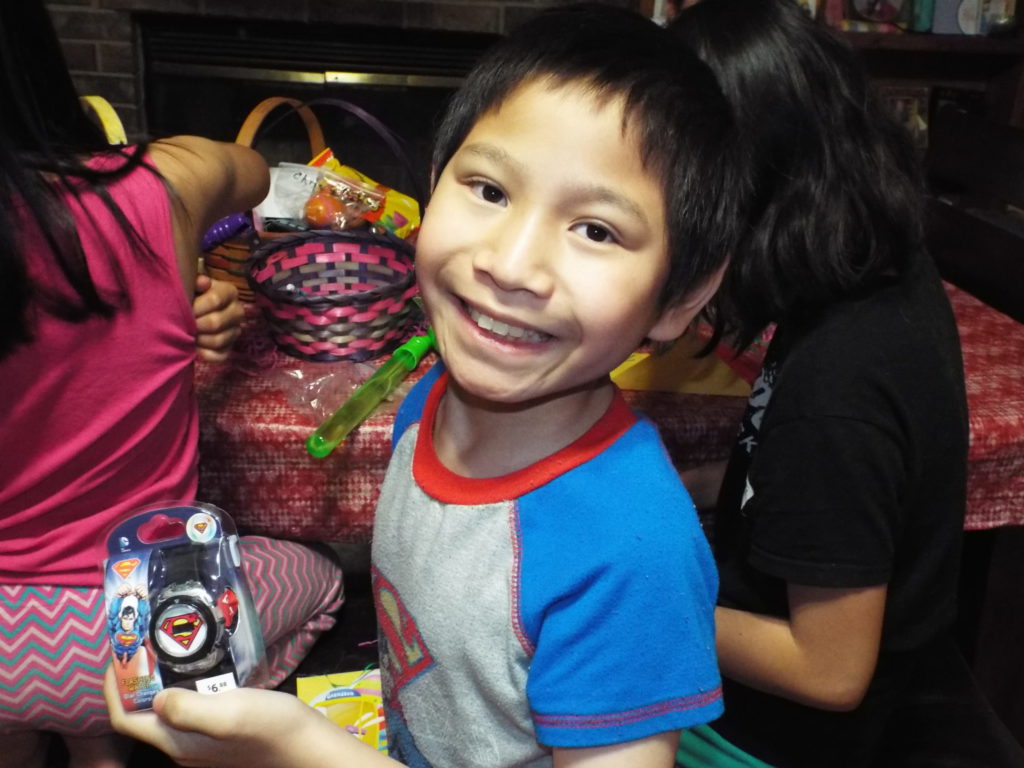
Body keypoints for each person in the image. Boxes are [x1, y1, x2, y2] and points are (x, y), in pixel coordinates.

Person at [105, 4, 743, 766]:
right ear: (431, 189)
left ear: (681, 297)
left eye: (596, 230)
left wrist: (300, 753)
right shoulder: (427, 398)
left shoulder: (628, 554)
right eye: (489, 190)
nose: (509, 264)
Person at [669, 1, 1024, 766]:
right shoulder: (871, 266)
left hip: (784, 738)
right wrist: (683, 479)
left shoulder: (839, 387)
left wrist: (638, 602)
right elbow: (800, 488)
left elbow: (829, 672)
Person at [0, 2, 344, 767]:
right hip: (133, 640)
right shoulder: (160, 187)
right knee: (323, 578)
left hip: (6, 653)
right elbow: (253, 171)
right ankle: (121, 729)